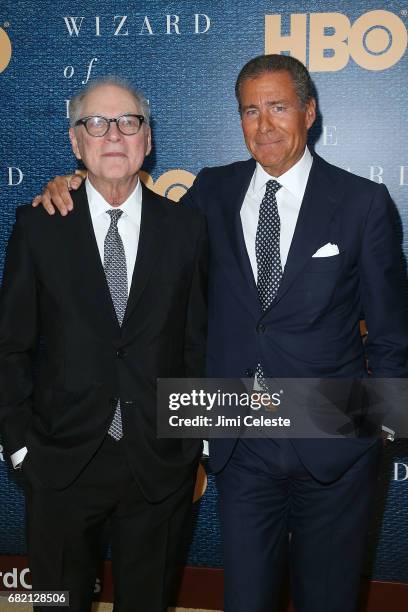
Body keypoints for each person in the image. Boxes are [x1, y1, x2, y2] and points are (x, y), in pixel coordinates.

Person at [33, 55, 408, 612]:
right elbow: (140, 220)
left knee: (328, 600)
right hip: (239, 436)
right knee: (245, 601)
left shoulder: (363, 203)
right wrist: (76, 184)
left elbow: (392, 337)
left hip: (334, 439)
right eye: (250, 111)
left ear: (308, 112)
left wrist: (373, 433)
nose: (264, 125)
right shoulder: (212, 191)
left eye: (278, 107)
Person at [0, 77, 207, 612]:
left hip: (159, 464)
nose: (113, 134)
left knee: (149, 602)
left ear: (147, 139)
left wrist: (195, 444)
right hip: (59, 462)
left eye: (128, 122)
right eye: (96, 122)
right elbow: (11, 346)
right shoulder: (37, 225)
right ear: (75, 143)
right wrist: (21, 446)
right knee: (52, 602)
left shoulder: (188, 229)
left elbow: (197, 343)